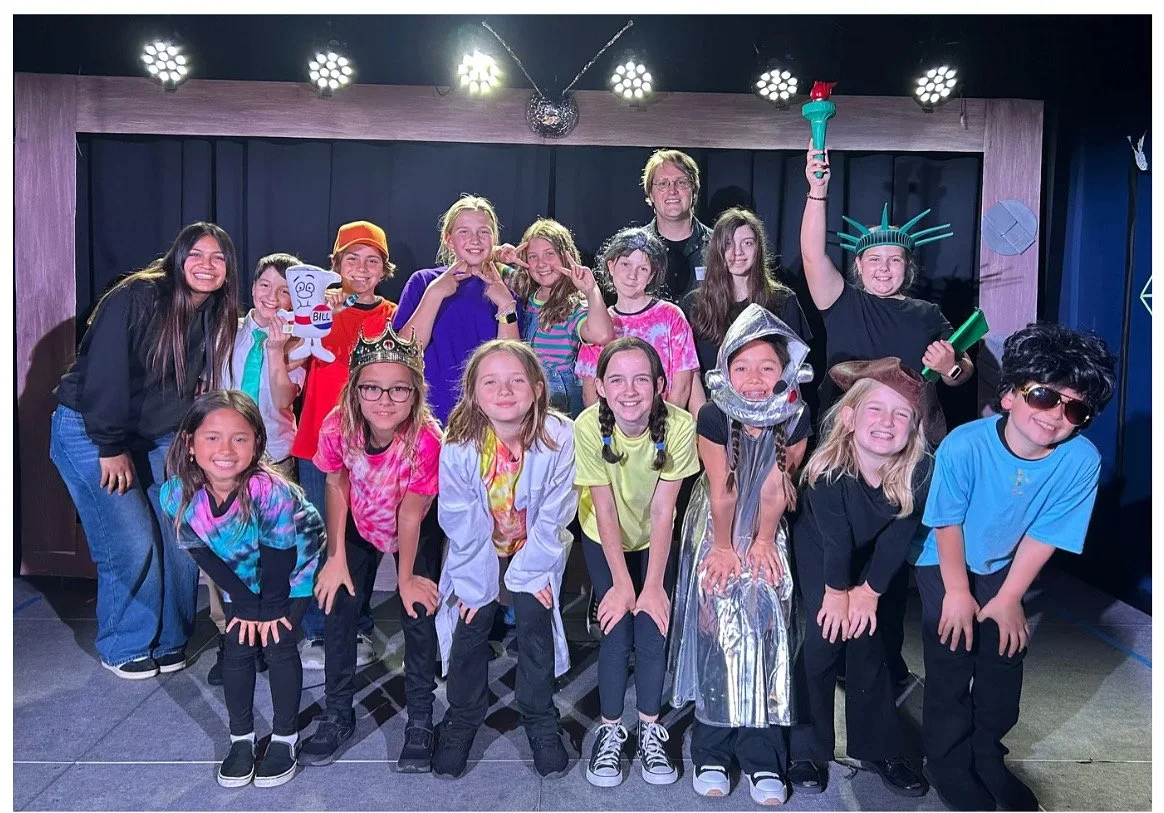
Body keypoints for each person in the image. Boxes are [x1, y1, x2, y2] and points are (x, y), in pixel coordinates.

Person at [913, 322, 1115, 812]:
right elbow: (948, 524)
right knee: (951, 659)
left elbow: (1046, 533)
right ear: (1009, 396)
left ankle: (986, 756)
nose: (1056, 416)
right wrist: (959, 593)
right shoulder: (966, 444)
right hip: (947, 560)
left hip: (1005, 568)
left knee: (1004, 665)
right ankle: (945, 762)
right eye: (1044, 395)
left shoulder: (1080, 460)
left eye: (1075, 407)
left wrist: (1007, 599)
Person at [801, 142, 971, 687]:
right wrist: (817, 189)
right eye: (873, 260)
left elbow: (961, 371)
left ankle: (882, 660)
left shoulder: (927, 313)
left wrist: (951, 367)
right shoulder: (841, 301)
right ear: (858, 266)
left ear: (907, 267)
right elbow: (810, 256)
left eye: (893, 260)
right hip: (844, 452)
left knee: (890, 562)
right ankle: (826, 658)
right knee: (834, 548)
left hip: (906, 452)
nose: (883, 267)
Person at [50, 221, 240, 679]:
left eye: (217, 258)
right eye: (196, 255)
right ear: (177, 258)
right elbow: (106, 378)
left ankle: (170, 637)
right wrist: (110, 446)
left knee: (178, 535)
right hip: (93, 430)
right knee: (132, 541)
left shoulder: (214, 311)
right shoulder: (138, 297)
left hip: (158, 434)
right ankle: (125, 642)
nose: (206, 265)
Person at [670, 305, 813, 805]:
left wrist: (761, 543)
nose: (754, 379)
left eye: (767, 368)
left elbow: (777, 487)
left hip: (765, 529)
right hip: (718, 526)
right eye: (742, 368)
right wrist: (725, 548)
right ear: (725, 371)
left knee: (764, 624)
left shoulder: (795, 414)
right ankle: (710, 750)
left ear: (785, 372)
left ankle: (763, 756)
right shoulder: (713, 414)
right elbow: (722, 489)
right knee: (717, 624)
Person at [788, 358, 941, 798]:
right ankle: (807, 747)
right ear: (851, 416)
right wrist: (838, 594)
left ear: (914, 427)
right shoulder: (826, 470)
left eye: (901, 415)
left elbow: (898, 538)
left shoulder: (919, 470)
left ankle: (879, 746)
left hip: (872, 555)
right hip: (820, 549)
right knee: (822, 638)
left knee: (868, 638)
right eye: (876, 409)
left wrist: (869, 593)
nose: (887, 423)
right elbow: (835, 542)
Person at [297, 322, 444, 772]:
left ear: (415, 392)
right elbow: (336, 482)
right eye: (373, 389)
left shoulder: (427, 440)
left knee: (417, 612)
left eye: (398, 390)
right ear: (355, 391)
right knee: (337, 606)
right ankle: (338, 712)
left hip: (411, 523)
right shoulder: (338, 426)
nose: (385, 401)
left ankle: (420, 716)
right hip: (358, 520)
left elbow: (411, 513)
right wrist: (336, 556)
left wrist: (405, 580)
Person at [160, 390, 324, 789]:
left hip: (292, 571)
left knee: (279, 641)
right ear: (191, 443)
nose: (226, 449)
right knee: (237, 646)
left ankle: (285, 736)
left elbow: (281, 557)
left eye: (240, 438)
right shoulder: (175, 494)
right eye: (212, 437)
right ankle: (241, 739)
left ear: (256, 444)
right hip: (240, 575)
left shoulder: (269, 491)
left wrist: (268, 610)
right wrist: (245, 605)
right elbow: (206, 557)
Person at [432, 340, 577, 779]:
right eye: (490, 381)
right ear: (474, 393)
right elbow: (460, 517)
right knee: (470, 619)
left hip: (535, 546)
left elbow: (555, 512)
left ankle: (539, 715)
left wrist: (532, 572)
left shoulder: (560, 435)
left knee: (535, 615)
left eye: (516, 380)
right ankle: (462, 715)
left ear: (536, 388)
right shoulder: (458, 442)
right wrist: (478, 584)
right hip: (478, 549)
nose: (504, 390)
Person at [574, 337, 700, 788]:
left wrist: (649, 588)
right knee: (615, 631)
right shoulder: (588, 427)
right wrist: (623, 585)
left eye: (641, 379)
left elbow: (665, 510)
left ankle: (649, 726)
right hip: (603, 537)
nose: (629, 390)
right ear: (602, 387)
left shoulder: (681, 427)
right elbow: (603, 509)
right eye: (617, 379)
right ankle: (610, 729)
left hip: (653, 537)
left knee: (652, 627)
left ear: (660, 385)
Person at [292, 221, 397, 672]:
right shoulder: (317, 308)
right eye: (351, 259)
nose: (361, 267)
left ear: (384, 269)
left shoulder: (395, 313)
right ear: (335, 265)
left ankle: (356, 621)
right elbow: (292, 353)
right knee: (323, 536)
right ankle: (318, 628)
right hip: (321, 440)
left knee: (365, 538)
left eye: (371, 259)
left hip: (373, 445)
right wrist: (320, 311)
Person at [203, 251, 305, 686]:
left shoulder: (301, 338)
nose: (272, 297)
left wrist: (278, 350)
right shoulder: (228, 329)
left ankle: (268, 636)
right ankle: (231, 636)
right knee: (225, 549)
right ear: (253, 288)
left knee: (272, 552)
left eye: (284, 291)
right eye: (265, 286)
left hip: (274, 455)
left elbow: (284, 400)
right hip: (225, 456)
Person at [392, 194, 521, 424]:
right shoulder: (423, 282)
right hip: (429, 419)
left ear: (493, 239)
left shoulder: (506, 289)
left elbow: (513, 362)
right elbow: (404, 353)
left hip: (489, 418)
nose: (475, 239)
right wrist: (434, 294)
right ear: (448, 239)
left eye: (484, 231)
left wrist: (505, 305)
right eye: (464, 232)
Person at [681, 207, 814, 415]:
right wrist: (704, 424)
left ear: (758, 248)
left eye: (747, 243)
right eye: (728, 244)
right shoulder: (694, 304)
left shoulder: (783, 301)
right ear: (717, 250)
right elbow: (691, 374)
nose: (738, 252)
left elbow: (794, 370)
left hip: (769, 414)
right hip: (713, 414)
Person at [497, 218, 614, 417]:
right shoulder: (521, 288)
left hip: (557, 401)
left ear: (566, 255)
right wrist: (499, 253)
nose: (541, 263)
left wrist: (591, 290)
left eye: (550, 254)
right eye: (532, 256)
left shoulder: (572, 306)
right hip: (522, 395)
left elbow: (602, 335)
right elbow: (484, 262)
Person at [575, 227, 699, 410]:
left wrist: (663, 428)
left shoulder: (671, 316)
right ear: (611, 266)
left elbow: (682, 388)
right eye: (625, 264)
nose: (632, 276)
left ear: (651, 276)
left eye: (642, 269)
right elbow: (590, 394)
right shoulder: (599, 323)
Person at [641, 148, 713, 302]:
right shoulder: (635, 248)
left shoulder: (719, 246)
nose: (672, 191)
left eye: (681, 182)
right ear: (650, 194)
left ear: (694, 190)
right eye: (663, 183)